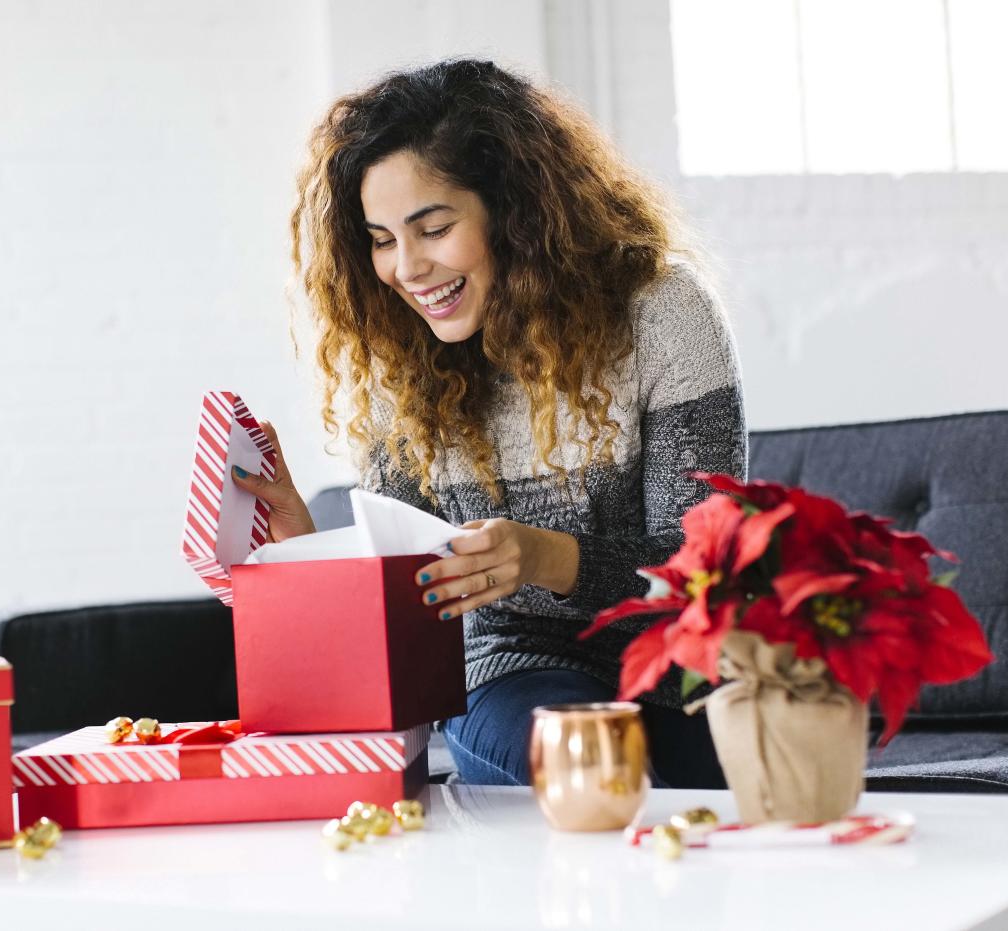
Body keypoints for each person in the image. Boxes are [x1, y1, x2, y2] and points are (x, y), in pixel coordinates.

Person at [231, 58, 746, 788]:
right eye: (381, 239)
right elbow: (404, 614)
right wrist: (301, 550)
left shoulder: (660, 311)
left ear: (515, 210)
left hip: (683, 659)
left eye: (432, 228)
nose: (406, 268)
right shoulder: (397, 362)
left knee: (742, 776)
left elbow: (707, 576)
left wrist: (544, 557)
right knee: (595, 769)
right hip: (515, 667)